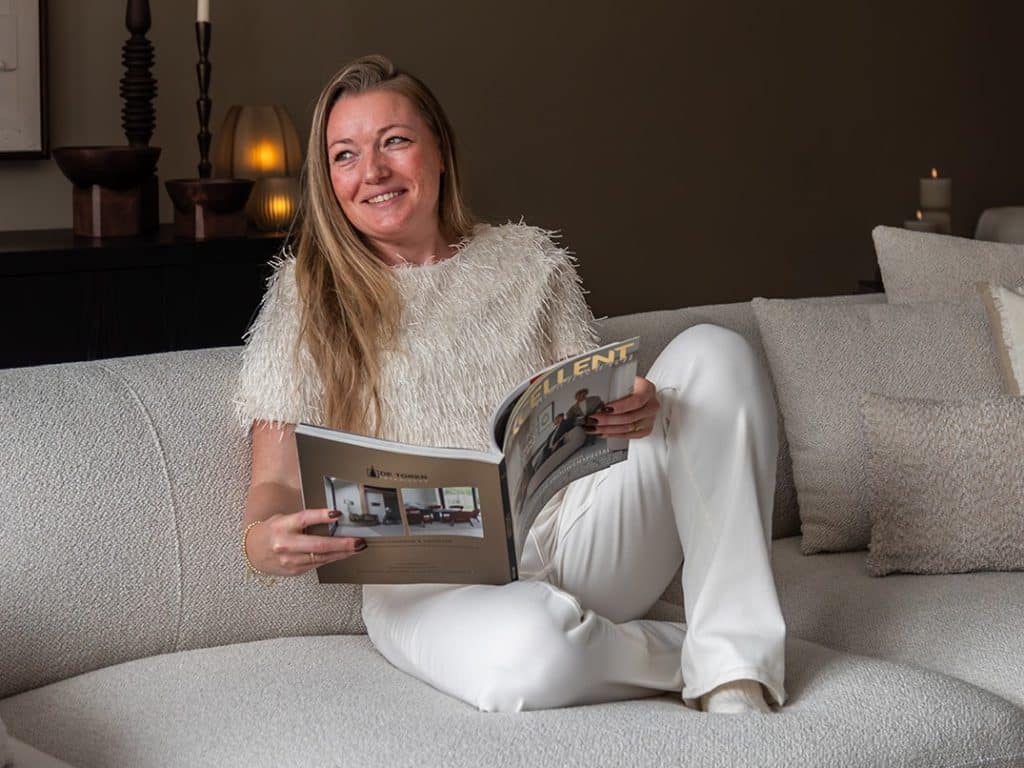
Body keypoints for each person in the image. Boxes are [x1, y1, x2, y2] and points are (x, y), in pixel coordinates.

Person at [233, 54, 786, 715]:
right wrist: (263, 540)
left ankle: (736, 682)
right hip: (427, 589)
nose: (372, 172)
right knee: (525, 657)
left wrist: (635, 409)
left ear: (440, 151)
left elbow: (593, 406)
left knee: (716, 355)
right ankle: (705, 656)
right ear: (329, 180)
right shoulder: (305, 296)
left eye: (395, 142)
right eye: (345, 155)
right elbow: (274, 483)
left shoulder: (530, 261)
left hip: (574, 538)